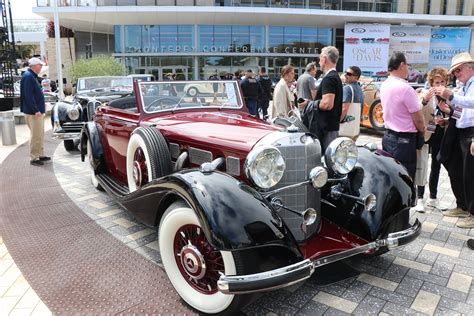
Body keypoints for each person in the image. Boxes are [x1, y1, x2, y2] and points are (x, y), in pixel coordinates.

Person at [434, 52, 474, 228]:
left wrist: (450, 96)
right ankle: (464, 205)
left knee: (470, 174)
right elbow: (463, 110)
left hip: (470, 133)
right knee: (458, 169)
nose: (456, 74)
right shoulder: (466, 85)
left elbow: (470, 103)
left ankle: (471, 212)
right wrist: (449, 114)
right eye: (455, 72)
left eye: (458, 70)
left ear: (470, 67)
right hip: (461, 131)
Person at [379, 52, 425, 179]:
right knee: (405, 177)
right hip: (404, 141)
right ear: (402, 65)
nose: (408, 69)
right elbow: (418, 118)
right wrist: (423, 130)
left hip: (388, 136)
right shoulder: (405, 88)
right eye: (408, 65)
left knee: (389, 176)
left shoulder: (385, 84)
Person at [412, 67, 449, 212]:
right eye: (436, 82)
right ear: (431, 83)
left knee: (436, 165)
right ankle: (419, 198)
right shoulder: (424, 94)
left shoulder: (449, 96)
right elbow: (417, 110)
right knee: (422, 164)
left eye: (442, 82)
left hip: (440, 133)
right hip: (426, 132)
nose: (439, 85)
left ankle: (433, 198)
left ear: (446, 82)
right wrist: (425, 99)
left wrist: (445, 120)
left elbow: (456, 115)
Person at [302, 46, 343, 151]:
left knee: (325, 161)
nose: (319, 62)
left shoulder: (329, 78)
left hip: (326, 129)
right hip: (330, 127)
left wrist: (310, 104)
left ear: (324, 59)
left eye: (320, 59)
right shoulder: (334, 77)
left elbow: (327, 104)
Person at [20, 57, 51, 166]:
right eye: (40, 65)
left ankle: (40, 154)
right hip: (34, 113)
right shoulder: (28, 77)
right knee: (35, 135)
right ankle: (34, 157)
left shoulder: (31, 76)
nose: (41, 67)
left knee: (39, 134)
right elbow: (28, 96)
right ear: (34, 66)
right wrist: (35, 110)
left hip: (36, 112)